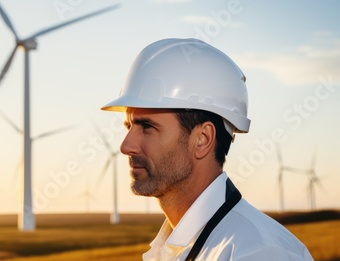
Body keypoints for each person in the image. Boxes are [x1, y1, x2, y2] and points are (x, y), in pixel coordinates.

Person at [101, 38, 313, 261]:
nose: (126, 146)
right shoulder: (169, 249)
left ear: (202, 139)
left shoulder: (258, 253)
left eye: (147, 127)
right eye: (129, 126)